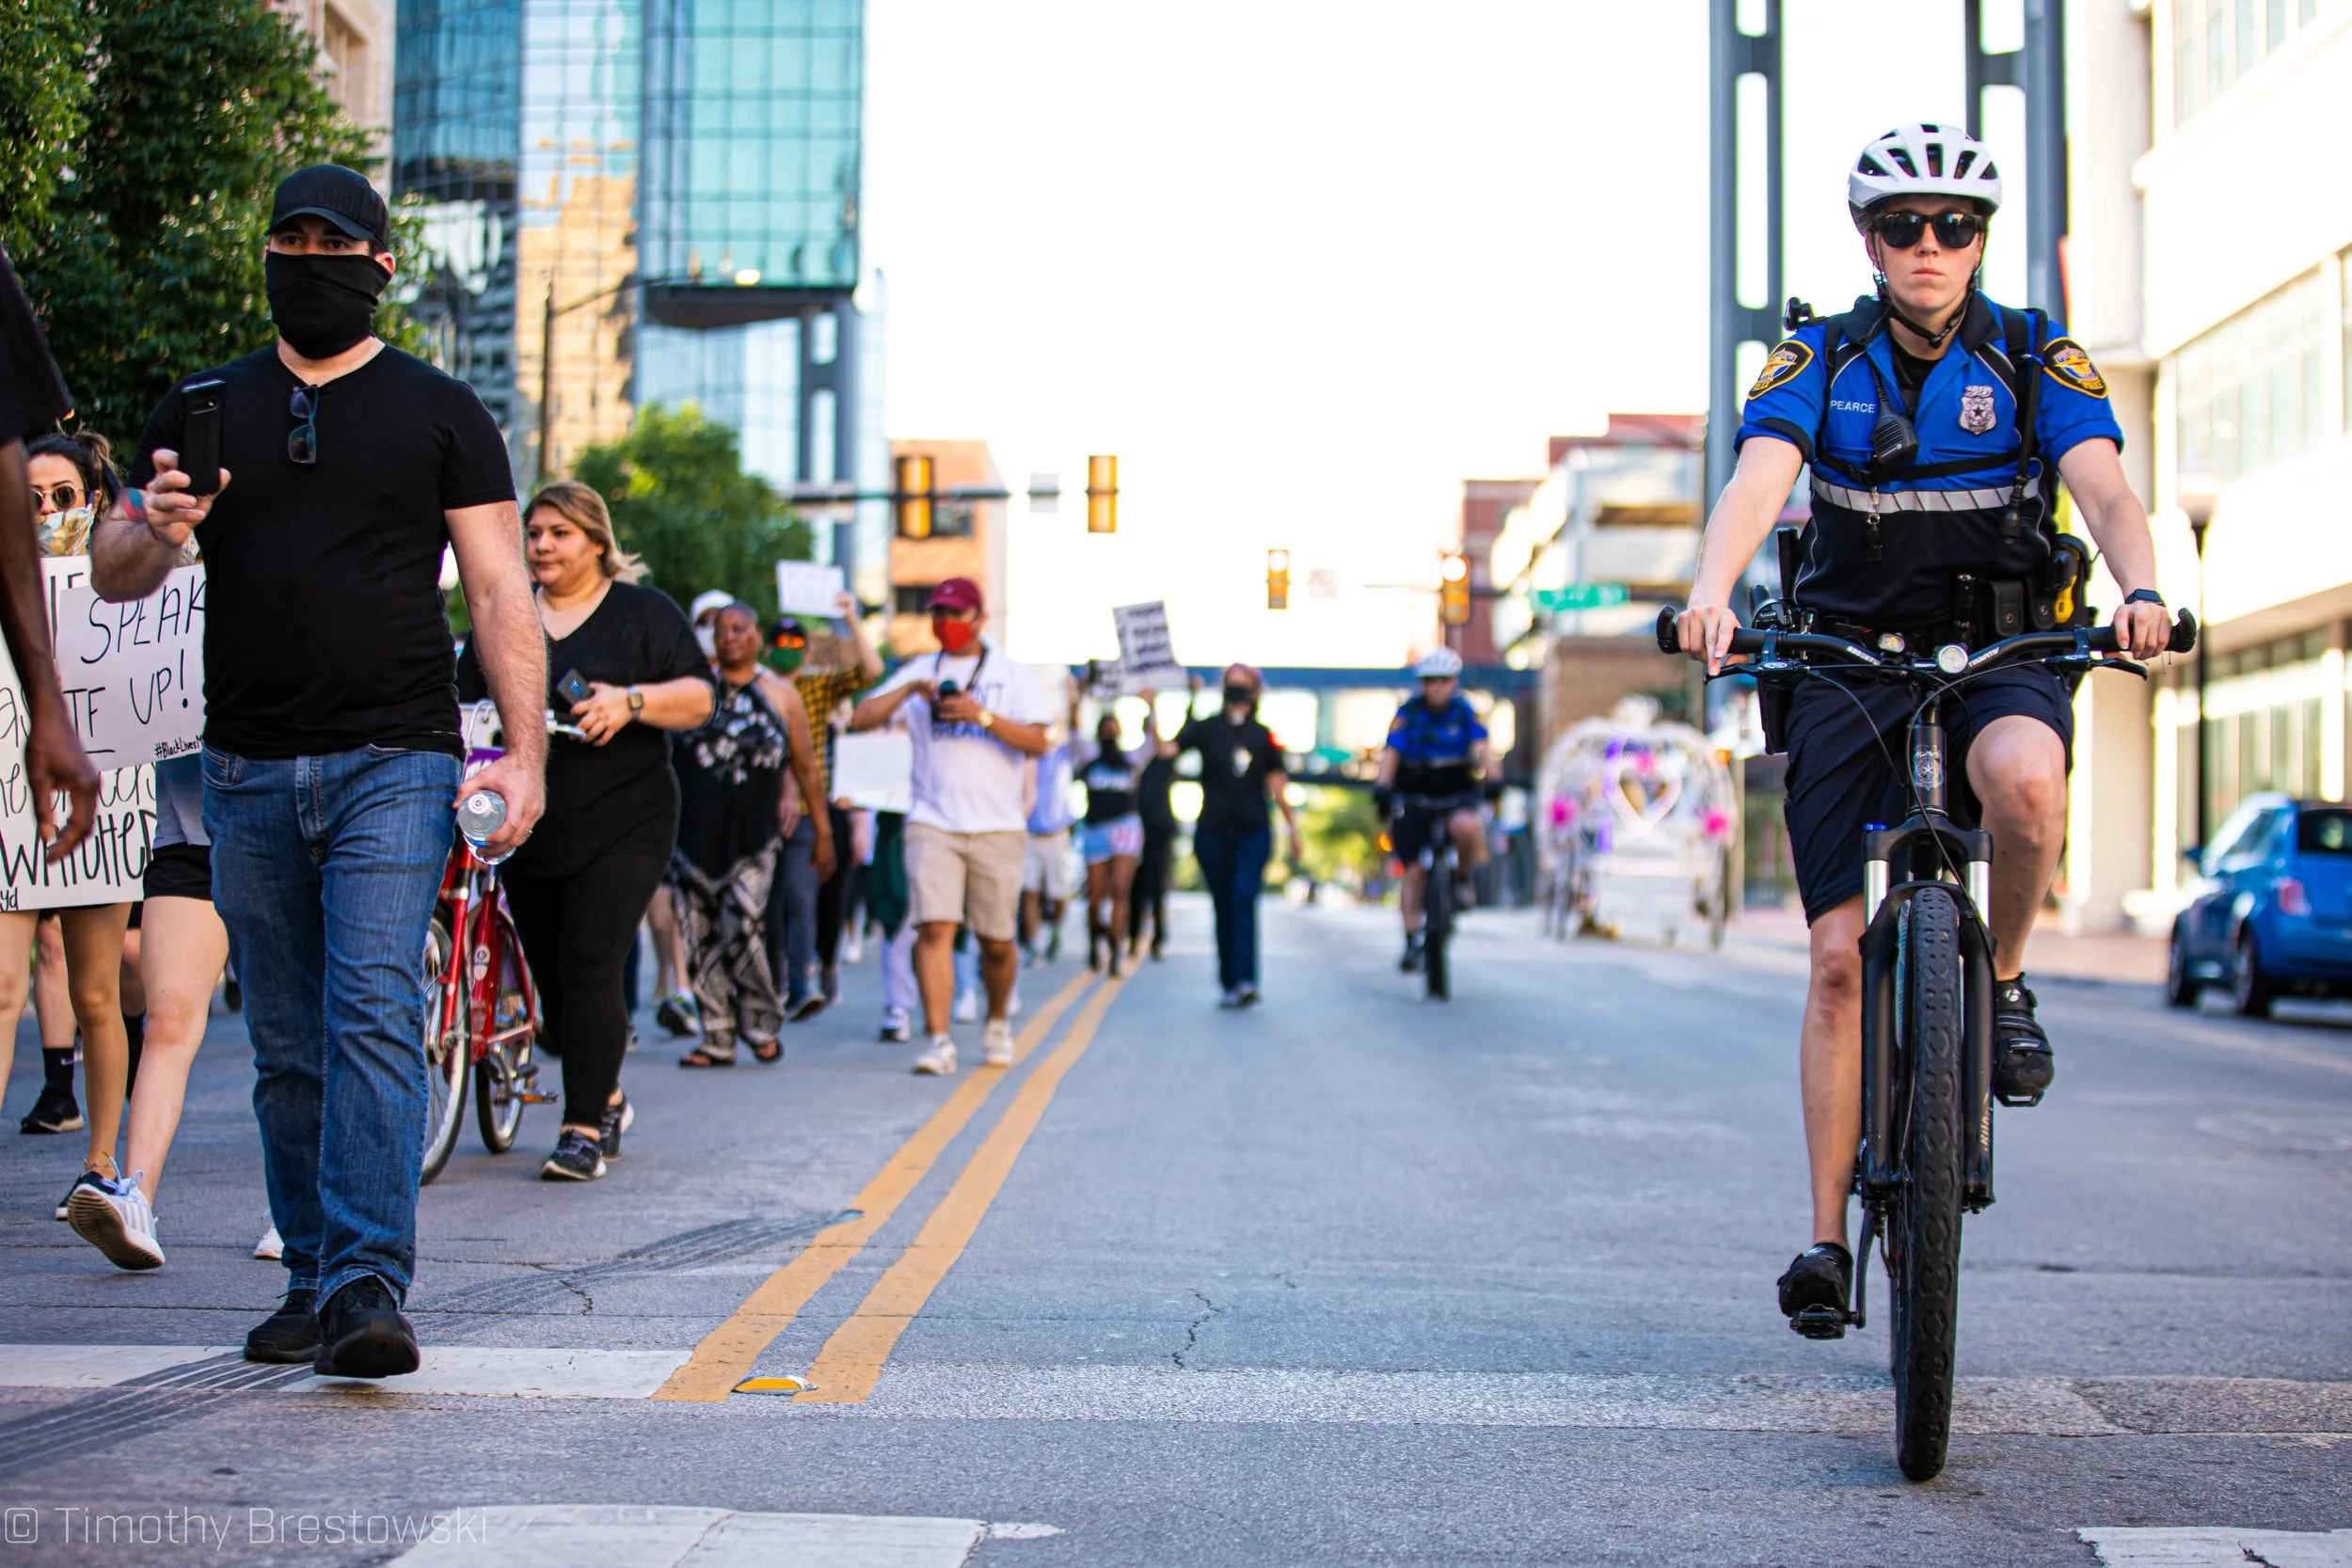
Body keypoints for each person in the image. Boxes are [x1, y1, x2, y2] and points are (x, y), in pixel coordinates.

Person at [1671, 124, 2170, 1337]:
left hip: (2000, 646)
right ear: (1868, 240)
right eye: (1903, 226)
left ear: (1979, 240)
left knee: (2027, 784)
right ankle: (1825, 1239)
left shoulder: (2032, 354)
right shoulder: (1817, 358)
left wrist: (2142, 587)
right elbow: (1757, 481)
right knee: (1837, 957)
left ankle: (1998, 981)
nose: (1929, 245)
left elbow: (2101, 486)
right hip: (1845, 659)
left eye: (1953, 225)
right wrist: (1709, 591)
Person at [93, 165, 547, 1380]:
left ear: (378, 266)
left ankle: (364, 1282)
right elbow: (112, 565)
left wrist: (529, 749)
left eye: (330, 242)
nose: (306, 258)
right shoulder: (204, 404)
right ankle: (308, 1272)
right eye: (287, 238)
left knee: (370, 1012)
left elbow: (502, 591)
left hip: (394, 757)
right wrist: (158, 526)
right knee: (287, 1039)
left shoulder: (445, 411)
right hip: (243, 764)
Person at [454, 481, 713, 1181]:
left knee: (592, 957)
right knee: (556, 998)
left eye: (558, 532)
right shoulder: (504, 613)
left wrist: (632, 702)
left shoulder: (643, 613)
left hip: (629, 817)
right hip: (531, 824)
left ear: (597, 542)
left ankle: (580, 1130)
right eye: (533, 532)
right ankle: (606, 1091)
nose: (540, 544)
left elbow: (699, 696)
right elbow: (467, 707)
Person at [3, 433, 136, 1226]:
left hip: (107, 793)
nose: (46, 513)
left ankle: (100, 1163)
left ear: (91, 502)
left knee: (94, 992)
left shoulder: (132, 583)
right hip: (10, 792)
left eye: (60, 497)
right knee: (2, 986)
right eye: (29, 499)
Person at [849, 578, 1052, 1076]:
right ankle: (939, 1040)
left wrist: (980, 714)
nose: (946, 623)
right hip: (932, 820)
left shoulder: (1012, 673)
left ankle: (998, 1020)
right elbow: (859, 717)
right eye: (938, 614)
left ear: (980, 619)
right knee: (934, 927)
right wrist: (907, 692)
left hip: (998, 826)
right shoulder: (921, 669)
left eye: (956, 614)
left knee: (997, 941)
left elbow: (1038, 742)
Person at [670, 602, 832, 1067]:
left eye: (740, 628)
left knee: (743, 926)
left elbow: (803, 765)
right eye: (722, 630)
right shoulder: (695, 690)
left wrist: (821, 829)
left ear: (757, 636)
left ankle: (761, 1022)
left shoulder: (780, 694)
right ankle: (717, 1034)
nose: (730, 637)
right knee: (697, 934)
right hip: (694, 833)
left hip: (755, 836)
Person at [1161, 665, 1301, 1007]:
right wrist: (1154, 708)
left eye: (1243, 685)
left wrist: (1293, 831)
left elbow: (1277, 789)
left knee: (1243, 898)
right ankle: (1228, 980)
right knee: (1223, 905)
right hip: (1213, 831)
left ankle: (1245, 979)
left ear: (1255, 692)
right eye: (1231, 684)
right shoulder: (1207, 729)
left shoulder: (1264, 737)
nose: (1236, 690)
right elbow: (1166, 751)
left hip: (1253, 830)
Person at [782, 594, 882, 1007]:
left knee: (814, 897)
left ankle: (809, 975)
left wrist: (851, 619)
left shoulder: (816, 688)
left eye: (794, 644)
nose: (785, 651)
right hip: (757, 812)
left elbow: (871, 671)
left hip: (817, 809)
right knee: (776, 902)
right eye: (779, 643)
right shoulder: (754, 685)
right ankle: (778, 980)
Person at [1374, 647, 1491, 973]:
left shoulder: (1465, 711)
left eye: (1442, 681)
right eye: (1429, 682)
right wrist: (1382, 787)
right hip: (1415, 795)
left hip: (1455, 793)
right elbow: (1391, 754)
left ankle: (1463, 878)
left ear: (1453, 682)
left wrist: (1493, 779)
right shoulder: (1407, 714)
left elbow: (1482, 749)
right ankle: (1412, 938)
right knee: (1413, 871)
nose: (1436, 687)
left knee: (1468, 827)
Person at [1074, 709, 1144, 976]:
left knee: (1120, 889)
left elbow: (1153, 741)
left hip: (1124, 828)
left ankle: (1117, 949)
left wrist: (1149, 706)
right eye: (1106, 728)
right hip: (1095, 830)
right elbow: (1072, 730)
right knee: (1095, 895)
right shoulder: (1089, 759)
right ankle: (1095, 939)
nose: (1110, 733)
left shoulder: (1131, 760)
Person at [1021, 679, 1078, 966]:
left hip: (1056, 835)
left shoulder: (1061, 755)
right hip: (1030, 834)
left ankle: (1055, 929)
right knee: (1029, 891)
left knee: (1058, 892)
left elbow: (1075, 728)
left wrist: (1072, 698)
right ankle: (1032, 943)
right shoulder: (1025, 757)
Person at [1127, 703, 1177, 963]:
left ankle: (1158, 938)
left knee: (1157, 887)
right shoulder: (1135, 761)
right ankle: (1133, 938)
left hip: (1158, 830)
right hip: (1136, 831)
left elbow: (1164, 743)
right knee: (1135, 888)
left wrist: (1152, 705)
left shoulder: (1164, 760)